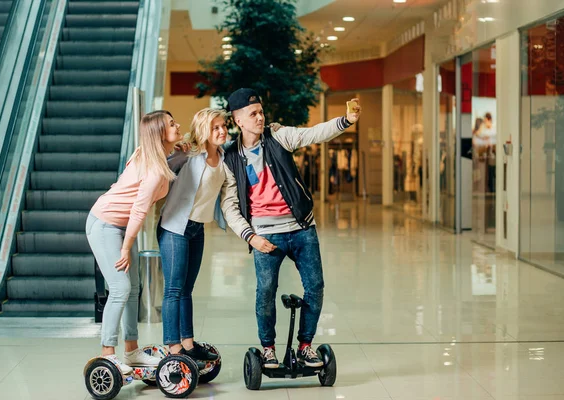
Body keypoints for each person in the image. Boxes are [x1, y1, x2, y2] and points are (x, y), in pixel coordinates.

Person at [220, 88, 361, 368]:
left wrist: (345, 121)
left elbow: (312, 134)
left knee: (315, 287)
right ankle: (268, 349)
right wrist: (251, 237)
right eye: (253, 114)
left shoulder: (277, 135)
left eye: (261, 111)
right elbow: (229, 205)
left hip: (301, 227)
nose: (260, 117)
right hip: (265, 234)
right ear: (238, 121)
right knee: (265, 292)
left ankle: (306, 346)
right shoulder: (230, 157)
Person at [85, 110, 181, 374]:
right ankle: (108, 353)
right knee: (120, 288)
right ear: (159, 133)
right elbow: (139, 210)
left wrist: (175, 146)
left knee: (134, 288)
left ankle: (132, 351)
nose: (178, 125)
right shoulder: (154, 169)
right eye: (172, 124)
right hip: (104, 224)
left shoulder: (153, 156)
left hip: (122, 227)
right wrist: (126, 248)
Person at [156, 108, 230, 365]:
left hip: (197, 228)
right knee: (174, 289)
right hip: (174, 227)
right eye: (215, 128)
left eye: (223, 126)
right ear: (204, 131)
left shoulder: (223, 156)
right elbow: (159, 168)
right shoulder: (187, 154)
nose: (221, 131)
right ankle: (173, 347)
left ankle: (188, 343)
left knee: (187, 289)